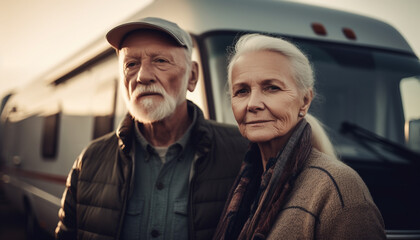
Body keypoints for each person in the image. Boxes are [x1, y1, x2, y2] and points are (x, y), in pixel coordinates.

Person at [55, 17, 248, 240]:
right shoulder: (89, 161)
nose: (143, 76)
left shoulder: (242, 153)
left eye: (160, 61)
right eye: (131, 64)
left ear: (192, 76)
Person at [213, 34, 386, 239]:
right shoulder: (244, 180)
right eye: (242, 91)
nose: (253, 104)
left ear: (305, 101)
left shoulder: (338, 187)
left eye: (272, 88)